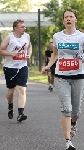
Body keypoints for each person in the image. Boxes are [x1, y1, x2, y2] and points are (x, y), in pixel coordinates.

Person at [42, 9, 84, 150]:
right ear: (63, 21)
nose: (68, 19)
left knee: (76, 112)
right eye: (66, 17)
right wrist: (48, 66)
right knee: (66, 108)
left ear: (75, 20)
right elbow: (55, 54)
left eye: (71, 17)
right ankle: (68, 142)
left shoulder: (81, 37)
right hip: (61, 76)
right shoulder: (57, 37)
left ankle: (73, 123)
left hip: (78, 76)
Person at [0, 19, 32, 122]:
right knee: (11, 91)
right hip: (10, 67)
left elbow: (30, 46)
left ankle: (21, 114)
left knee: (22, 89)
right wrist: (11, 54)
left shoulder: (27, 36)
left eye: (24, 27)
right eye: (22, 27)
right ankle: (10, 105)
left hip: (22, 66)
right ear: (16, 28)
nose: (24, 28)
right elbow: (0, 51)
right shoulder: (9, 38)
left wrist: (29, 55)